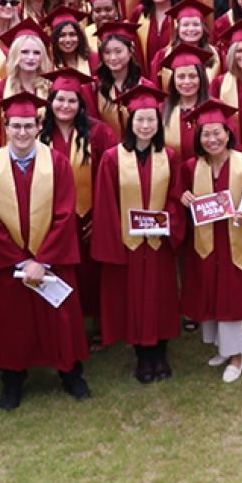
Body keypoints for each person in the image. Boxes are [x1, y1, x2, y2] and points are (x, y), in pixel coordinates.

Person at [0, 92, 91, 411]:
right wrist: (21, 260)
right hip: (11, 263)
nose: (23, 132)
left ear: (39, 125)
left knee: (61, 317)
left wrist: (43, 260)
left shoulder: (57, 163)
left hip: (51, 259)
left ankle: (70, 373)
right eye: (16, 126)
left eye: (29, 125)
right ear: (6, 126)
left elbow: (66, 213)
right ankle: (13, 379)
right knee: (13, 322)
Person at [92, 86, 187, 384]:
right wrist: (116, 239)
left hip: (158, 242)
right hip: (129, 242)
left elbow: (174, 196)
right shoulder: (112, 158)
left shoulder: (168, 156)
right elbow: (105, 202)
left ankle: (161, 353)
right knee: (134, 300)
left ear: (159, 123)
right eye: (139, 120)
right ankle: (143, 359)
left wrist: (167, 220)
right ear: (130, 122)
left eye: (151, 120)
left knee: (161, 298)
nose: (145, 126)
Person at [178, 102, 242, 384]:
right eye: (206, 134)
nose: (212, 139)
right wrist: (182, 199)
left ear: (228, 133)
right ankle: (221, 348)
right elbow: (179, 202)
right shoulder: (191, 168)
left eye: (217, 133)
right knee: (208, 291)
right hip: (205, 245)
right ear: (198, 138)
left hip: (235, 243)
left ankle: (236, 356)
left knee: (231, 296)